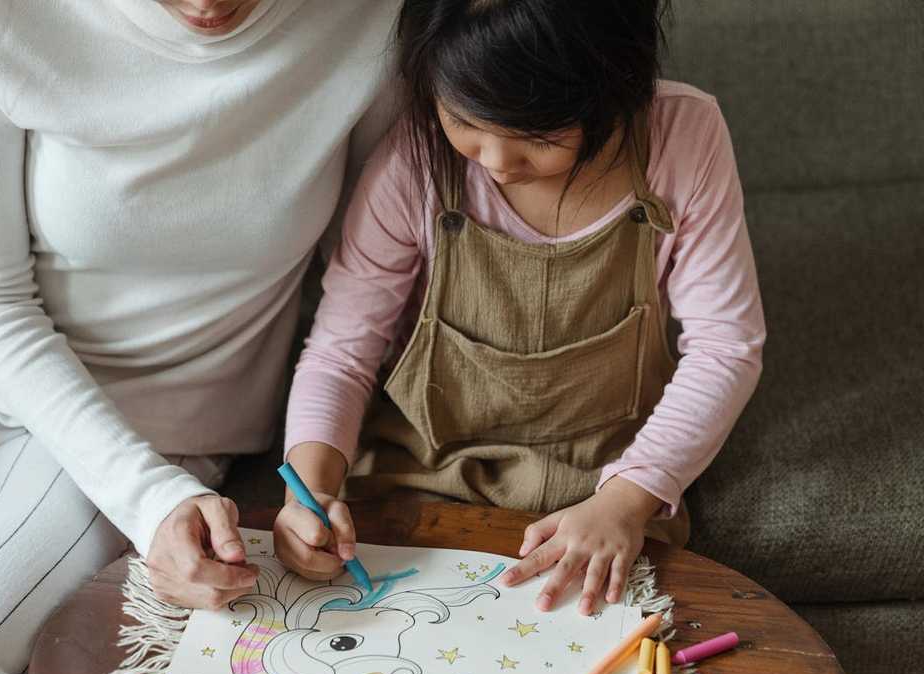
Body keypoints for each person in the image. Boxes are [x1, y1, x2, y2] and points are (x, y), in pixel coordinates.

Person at [0, 0, 400, 674]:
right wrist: (148, 502)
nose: (210, 5)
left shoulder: (373, 19)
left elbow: (367, 281)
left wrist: (314, 474)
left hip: (156, 410)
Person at [274, 0, 765, 619]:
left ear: (613, 89)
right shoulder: (412, 160)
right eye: (464, 122)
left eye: (538, 136)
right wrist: (312, 489)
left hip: (605, 474)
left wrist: (626, 501)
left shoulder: (682, 136)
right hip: (423, 465)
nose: (498, 164)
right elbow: (343, 352)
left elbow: (727, 347)